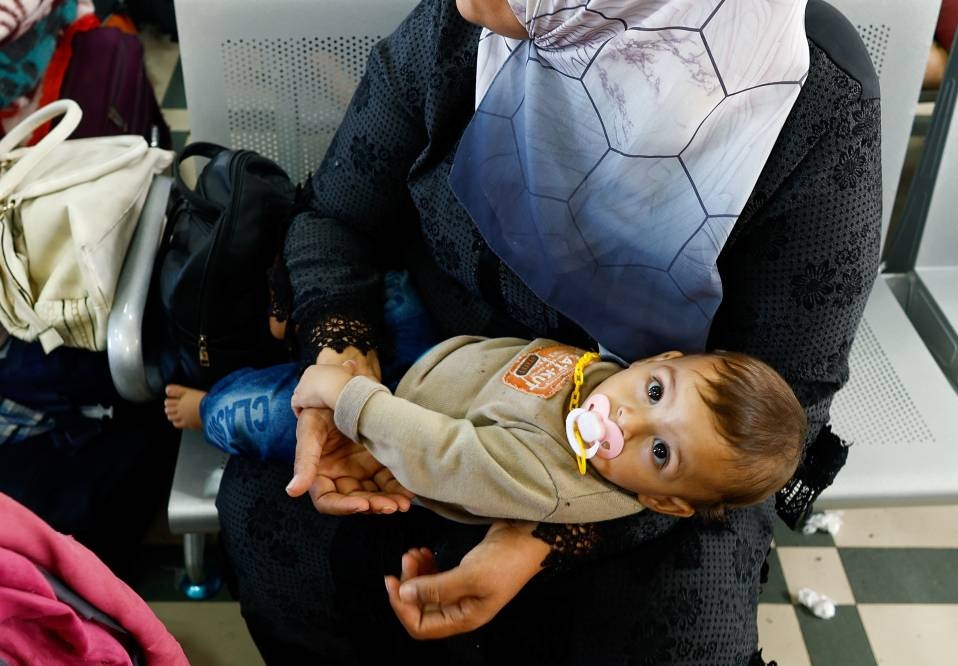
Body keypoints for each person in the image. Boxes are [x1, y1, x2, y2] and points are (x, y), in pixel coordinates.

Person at [215, 1, 883, 664]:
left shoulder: (804, 101)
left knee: (679, 633)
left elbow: (785, 399)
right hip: (433, 365)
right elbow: (339, 217)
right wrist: (345, 361)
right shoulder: (463, 27)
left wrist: (543, 531)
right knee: (275, 519)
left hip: (649, 457)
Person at [167, 334, 806, 524]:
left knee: (257, 409)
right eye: (656, 393)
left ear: (663, 500)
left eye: (660, 452)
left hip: (377, 432)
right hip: (423, 364)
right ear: (659, 361)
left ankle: (205, 409)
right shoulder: (610, 373)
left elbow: (448, 455)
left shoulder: (556, 479)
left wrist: (354, 403)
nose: (628, 421)